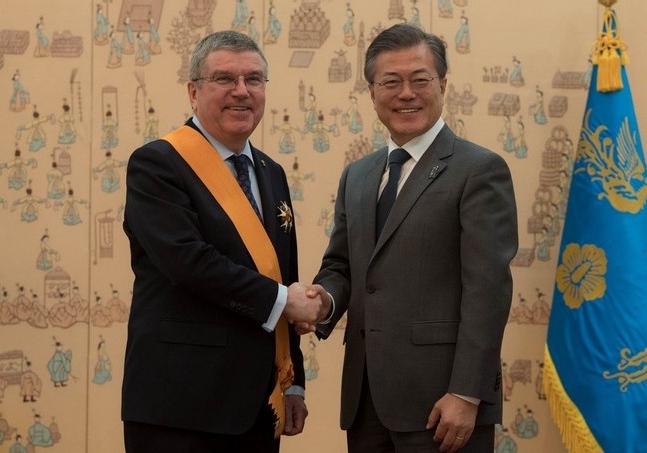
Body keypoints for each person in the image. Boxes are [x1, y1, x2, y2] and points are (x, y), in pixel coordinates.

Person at [304, 23, 518, 452]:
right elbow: (342, 266)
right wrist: (323, 300)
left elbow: (488, 290)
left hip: (443, 404)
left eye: (420, 80)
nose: (406, 93)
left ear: (442, 85)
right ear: (372, 93)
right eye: (391, 82)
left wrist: (466, 392)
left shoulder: (478, 170)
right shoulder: (358, 175)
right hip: (365, 401)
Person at [121, 30, 326, 453]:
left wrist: (292, 381)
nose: (241, 91)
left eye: (254, 79)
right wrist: (285, 300)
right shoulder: (158, 164)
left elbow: (281, 276)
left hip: (258, 405)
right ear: (193, 92)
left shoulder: (271, 172)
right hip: (179, 406)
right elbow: (188, 262)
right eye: (225, 79)